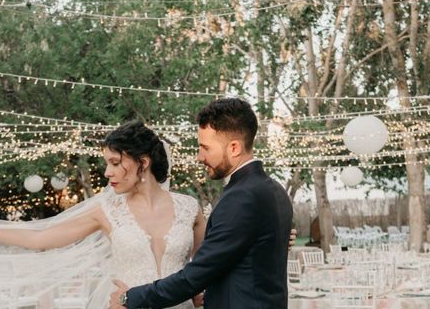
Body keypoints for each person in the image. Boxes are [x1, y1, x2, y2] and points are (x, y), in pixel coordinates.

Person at [0, 117, 295, 308]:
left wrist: (278, 236)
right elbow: (40, 236)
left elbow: (214, 262)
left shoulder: (189, 207)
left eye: (113, 162)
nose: (106, 173)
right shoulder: (106, 210)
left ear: (141, 162)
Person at [109, 97, 294, 309]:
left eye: (205, 148)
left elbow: (194, 276)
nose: (199, 157)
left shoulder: (241, 197)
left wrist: (130, 298)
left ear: (234, 148)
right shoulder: (276, 190)